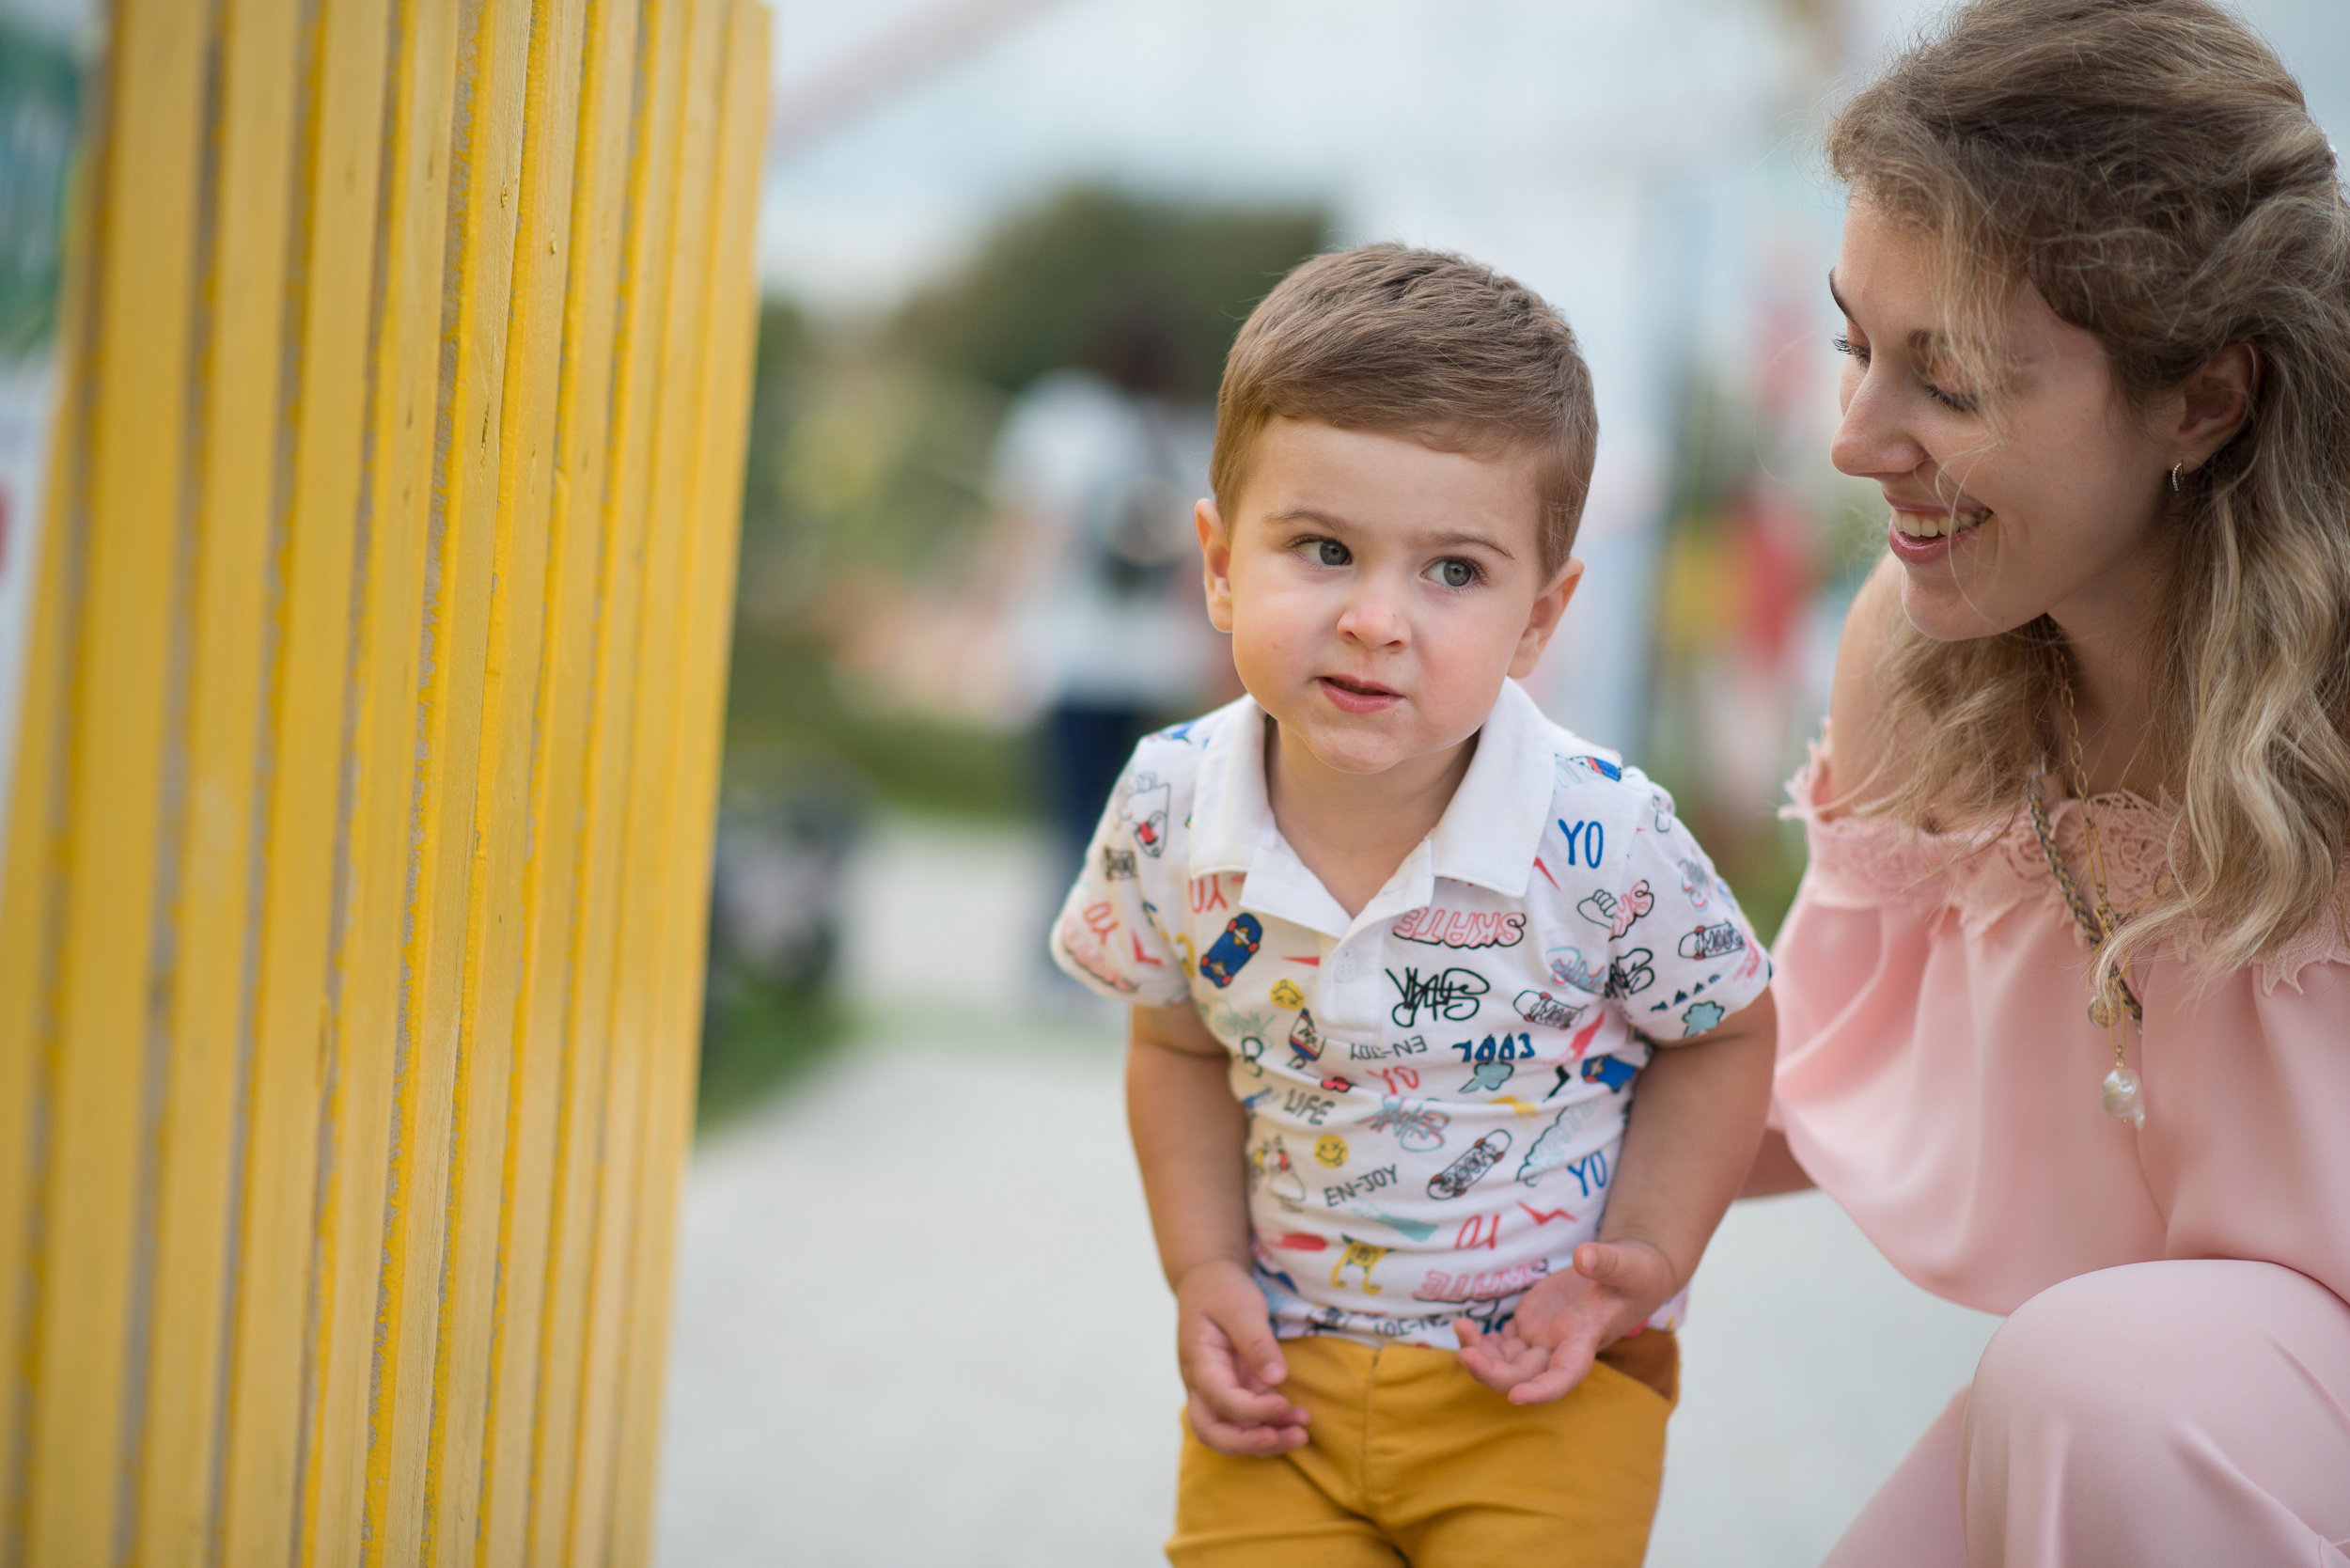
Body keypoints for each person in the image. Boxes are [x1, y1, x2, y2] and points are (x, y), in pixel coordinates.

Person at [1049, 244, 1777, 1565]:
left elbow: (1726, 1030)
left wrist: (1650, 1258)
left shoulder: (1601, 834)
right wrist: (1203, 1270)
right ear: (1219, 565)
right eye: (1324, 549)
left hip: (1541, 1387)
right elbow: (1173, 1044)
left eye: (1453, 571)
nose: (1378, 619)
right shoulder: (1168, 806)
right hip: (1279, 1400)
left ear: (1539, 616)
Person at [1750, 1, 2350, 1562]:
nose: (1855, 438)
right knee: (2095, 1392)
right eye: (1853, 345)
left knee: (2104, 1388)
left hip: (2183, 1409)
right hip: (2195, 1411)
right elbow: (1806, 1058)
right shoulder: (1921, 654)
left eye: (1944, 384)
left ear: (2206, 400)